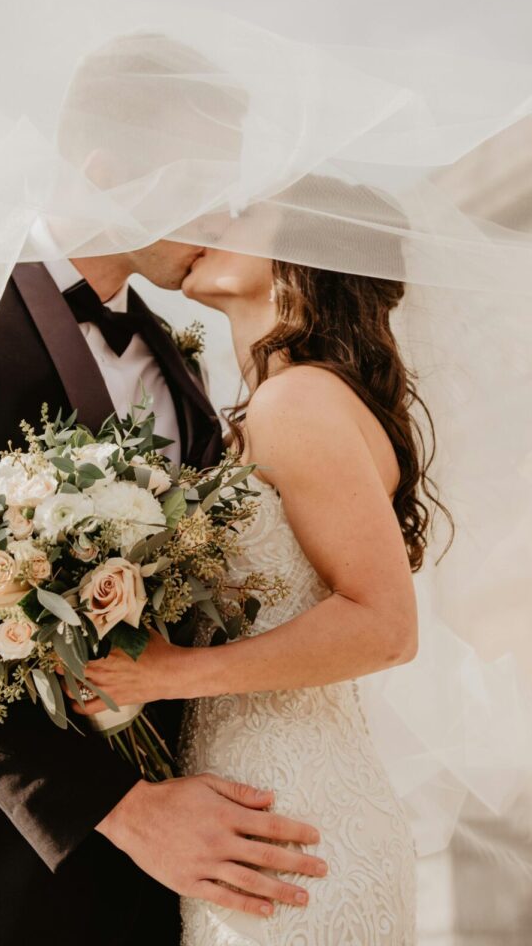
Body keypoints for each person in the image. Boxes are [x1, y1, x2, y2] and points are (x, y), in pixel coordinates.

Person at [0, 32, 327, 946]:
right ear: (104, 170)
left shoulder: (179, 367)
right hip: (37, 864)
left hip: (211, 855)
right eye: (202, 184)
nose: (220, 216)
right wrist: (125, 810)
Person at [78, 249, 452, 944]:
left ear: (300, 256)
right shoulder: (273, 402)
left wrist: (166, 673)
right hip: (252, 806)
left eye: (241, 212)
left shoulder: (300, 398)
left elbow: (385, 626)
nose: (208, 221)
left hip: (296, 814)